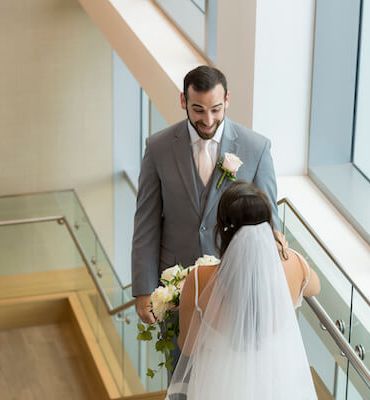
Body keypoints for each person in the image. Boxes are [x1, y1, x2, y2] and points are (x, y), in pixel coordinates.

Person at [132, 65, 280, 366]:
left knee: (229, 372)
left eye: (215, 109)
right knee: (181, 371)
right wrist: (144, 289)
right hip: (175, 289)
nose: (208, 120)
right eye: (198, 110)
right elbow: (146, 223)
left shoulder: (257, 148)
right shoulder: (158, 147)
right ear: (183, 101)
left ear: (227, 100)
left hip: (236, 286)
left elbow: (269, 221)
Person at [167, 181, 320, 399]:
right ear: (269, 227)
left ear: (222, 229)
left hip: (219, 385)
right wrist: (282, 249)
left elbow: (188, 347)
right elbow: (315, 287)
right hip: (276, 382)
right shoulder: (294, 263)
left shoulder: (199, 279)